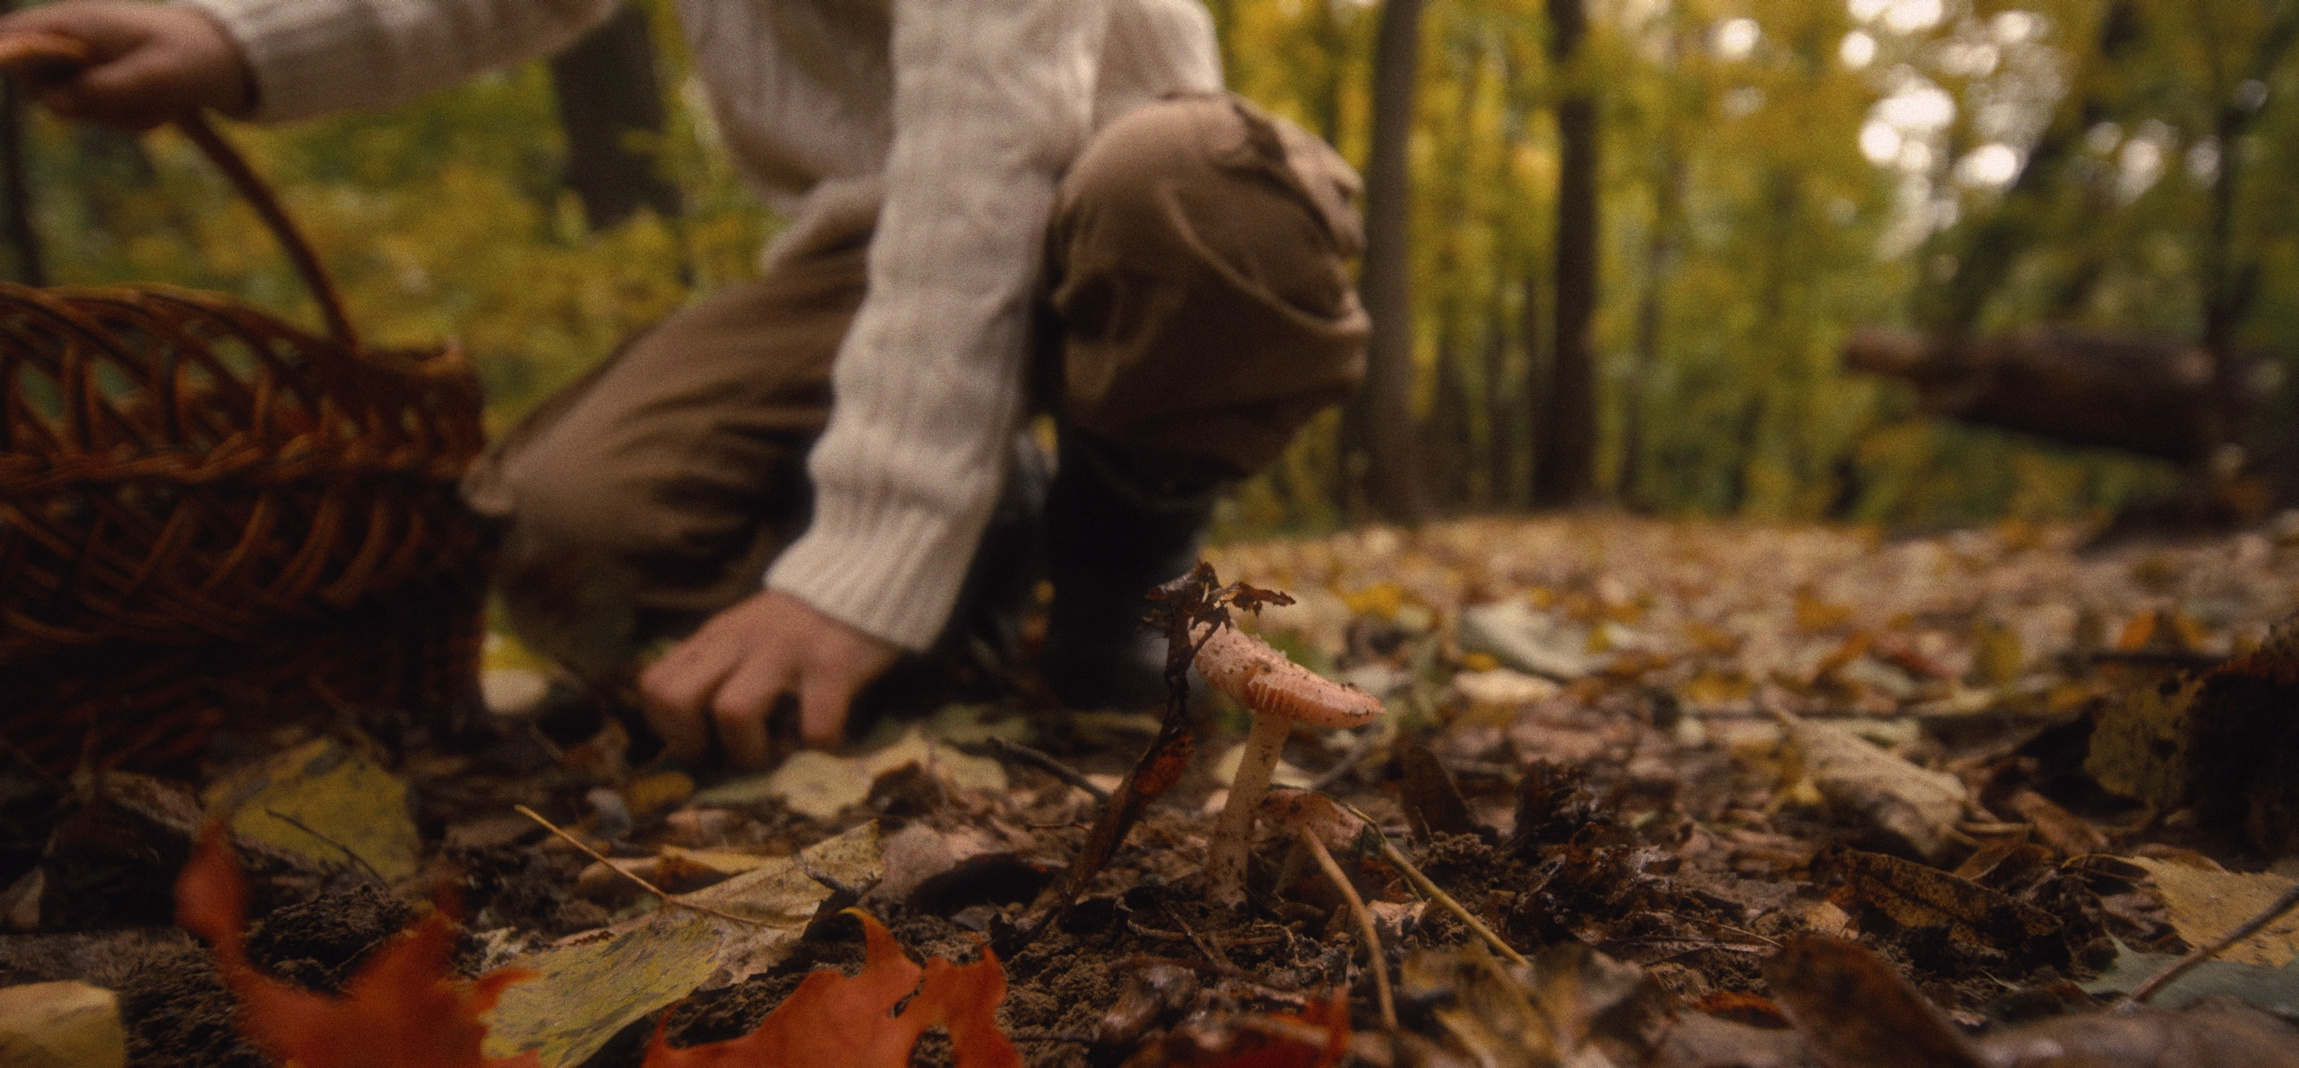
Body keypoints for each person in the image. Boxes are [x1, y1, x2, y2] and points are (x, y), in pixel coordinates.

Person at [7, 0, 1368, 768]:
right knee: (566, 538)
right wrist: (237, 42)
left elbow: (995, 132)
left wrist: (868, 551)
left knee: (1201, 199)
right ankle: (990, 563)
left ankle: (1123, 590)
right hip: (861, 247)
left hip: (1118, 207)